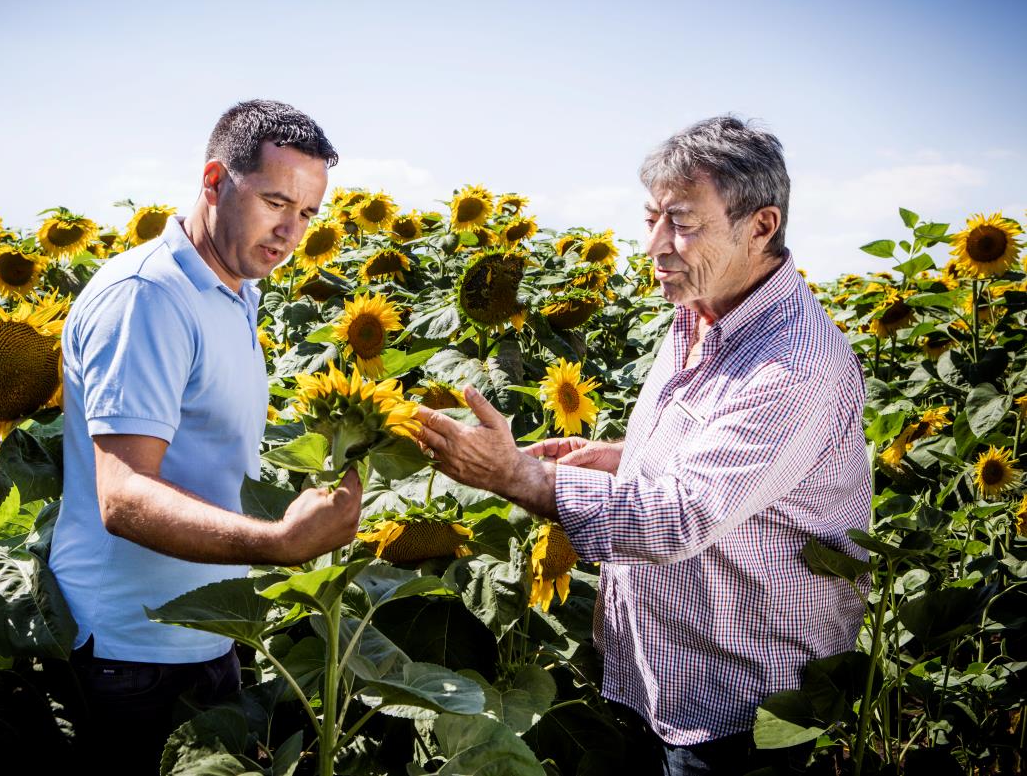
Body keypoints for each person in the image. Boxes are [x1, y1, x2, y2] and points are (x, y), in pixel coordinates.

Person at [416, 116, 870, 774]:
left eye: (681, 223)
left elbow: (680, 517)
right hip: (657, 676)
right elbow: (719, 457)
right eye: (651, 218)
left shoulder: (792, 365)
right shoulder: (698, 309)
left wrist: (513, 474)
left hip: (737, 711)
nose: (655, 244)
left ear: (761, 226)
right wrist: (627, 457)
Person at [48, 100, 363, 773]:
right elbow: (123, 494)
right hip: (133, 652)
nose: (290, 231)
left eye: (308, 213)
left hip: (206, 631)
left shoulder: (234, 289)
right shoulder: (148, 296)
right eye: (276, 200)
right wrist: (278, 543)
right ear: (214, 181)